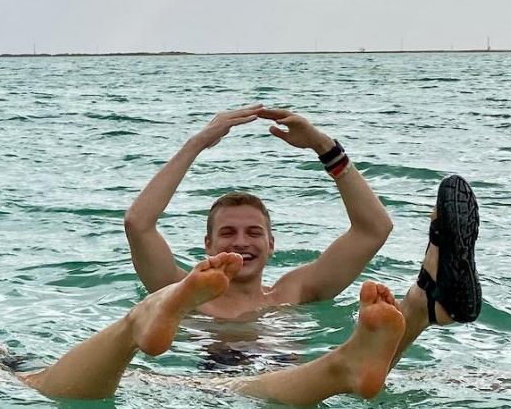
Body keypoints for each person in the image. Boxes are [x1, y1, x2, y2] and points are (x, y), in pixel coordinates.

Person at [0, 70, 408, 408]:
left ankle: (348, 362)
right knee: (220, 394)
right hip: (13, 392)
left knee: (217, 396)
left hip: (30, 371)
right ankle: (147, 318)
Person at [124, 104, 481, 367]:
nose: (241, 242)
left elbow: (374, 229)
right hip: (219, 392)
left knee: (347, 377)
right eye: (227, 232)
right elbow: (138, 224)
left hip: (291, 384)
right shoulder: (181, 296)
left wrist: (324, 146)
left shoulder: (293, 292)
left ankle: (418, 306)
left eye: (254, 232)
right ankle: (419, 306)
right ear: (208, 245)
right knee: (349, 371)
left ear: (271, 244)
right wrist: (197, 143)